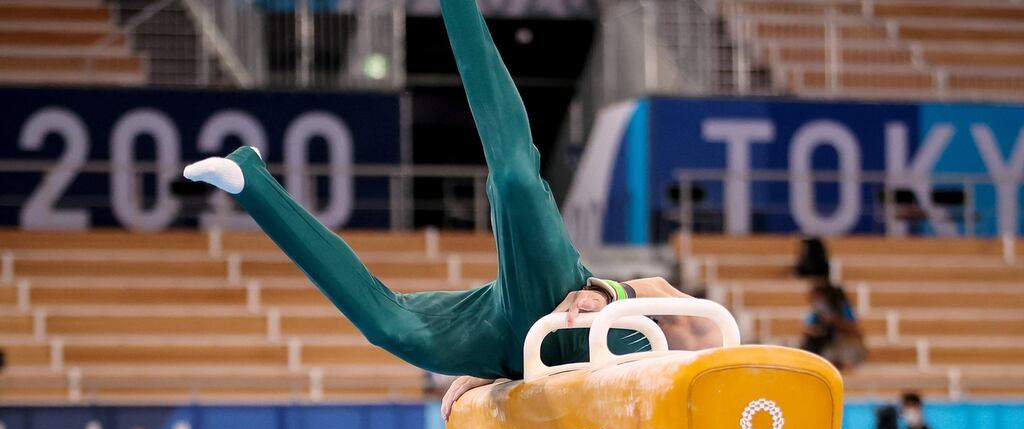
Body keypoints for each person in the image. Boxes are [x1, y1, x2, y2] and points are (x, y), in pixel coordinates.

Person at [184, 0, 709, 384]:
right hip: (560, 308)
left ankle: (249, 180)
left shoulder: (665, 396)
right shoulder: (705, 350)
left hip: (510, 350)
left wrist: (477, 375)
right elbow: (667, 292)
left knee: (392, 328)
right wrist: (607, 294)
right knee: (515, 183)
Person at [800, 283, 865, 370]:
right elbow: (806, 327)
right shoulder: (817, 310)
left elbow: (854, 328)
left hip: (844, 344)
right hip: (825, 345)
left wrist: (833, 321)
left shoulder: (842, 308)